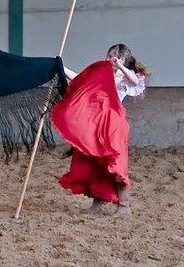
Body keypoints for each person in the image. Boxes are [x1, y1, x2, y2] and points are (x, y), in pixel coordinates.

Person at [54, 44, 150, 216]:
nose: (111, 59)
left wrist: (120, 67)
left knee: (116, 163)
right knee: (95, 162)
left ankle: (124, 206)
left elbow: (135, 81)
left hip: (114, 124)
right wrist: (60, 66)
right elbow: (78, 78)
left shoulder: (125, 77)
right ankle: (98, 202)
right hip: (96, 122)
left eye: (116, 57)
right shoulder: (99, 74)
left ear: (124, 60)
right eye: (110, 55)